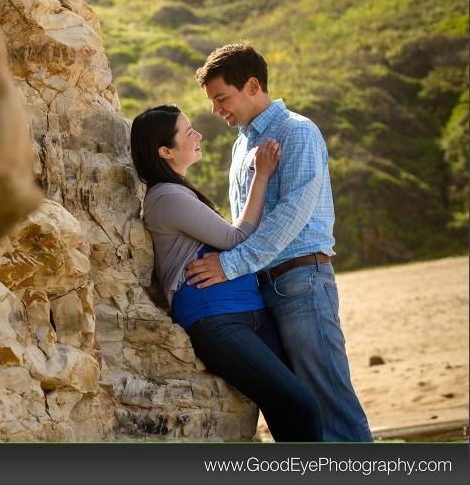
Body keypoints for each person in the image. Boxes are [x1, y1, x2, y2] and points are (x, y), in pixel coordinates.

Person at [185, 42, 373, 442]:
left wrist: (229, 265)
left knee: (332, 404)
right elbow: (243, 223)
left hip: (303, 281)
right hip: (262, 288)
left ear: (252, 85)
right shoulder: (241, 146)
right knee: (300, 409)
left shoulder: (297, 132)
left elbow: (291, 216)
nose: (217, 111)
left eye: (222, 99)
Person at [131, 104, 322, 442]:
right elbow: (237, 237)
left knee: (289, 407)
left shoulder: (180, 192)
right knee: (301, 404)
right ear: (165, 151)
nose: (198, 135)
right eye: (188, 132)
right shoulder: (165, 196)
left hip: (251, 310)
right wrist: (261, 175)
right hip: (216, 319)